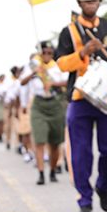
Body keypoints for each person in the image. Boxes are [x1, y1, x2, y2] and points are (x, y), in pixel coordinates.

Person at [56, 0, 107, 212]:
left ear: (99, 1)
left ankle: (103, 185)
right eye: (86, 1)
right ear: (79, 3)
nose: (90, 4)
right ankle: (84, 200)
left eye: (94, 0)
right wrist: (83, 53)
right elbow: (61, 63)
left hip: (106, 98)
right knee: (80, 153)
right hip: (80, 98)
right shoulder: (70, 30)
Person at [22, 41, 68, 185]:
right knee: (40, 140)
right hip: (39, 105)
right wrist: (34, 73)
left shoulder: (57, 67)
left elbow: (67, 81)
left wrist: (53, 83)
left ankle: (53, 169)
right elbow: (22, 82)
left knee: (55, 142)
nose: (47, 55)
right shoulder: (33, 65)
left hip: (55, 104)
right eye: (44, 53)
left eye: (50, 53)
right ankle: (41, 173)